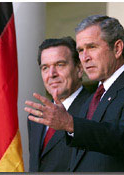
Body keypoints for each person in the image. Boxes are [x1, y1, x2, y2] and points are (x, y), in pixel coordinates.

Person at [25, 15, 124, 172]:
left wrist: (71, 124)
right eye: (80, 50)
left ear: (117, 48)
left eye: (92, 47)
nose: (85, 58)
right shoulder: (93, 99)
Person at [26, 37, 91, 172]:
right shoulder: (36, 118)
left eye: (60, 64)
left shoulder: (96, 108)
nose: (52, 74)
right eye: (45, 68)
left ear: (79, 69)